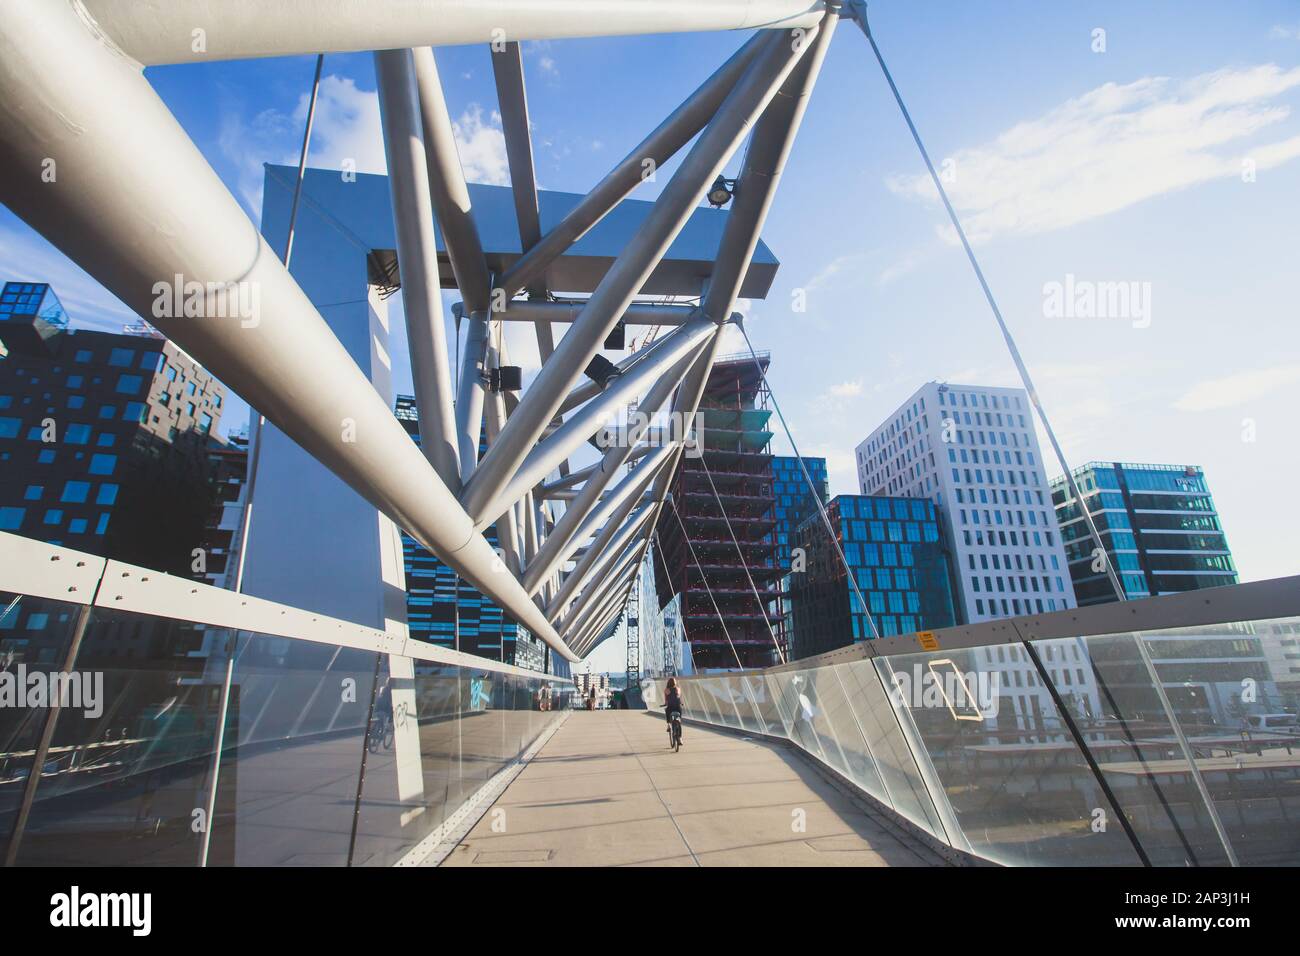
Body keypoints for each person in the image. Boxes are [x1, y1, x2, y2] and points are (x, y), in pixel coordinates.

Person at [664, 677, 684, 745]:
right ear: (675, 683)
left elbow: (666, 701)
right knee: (679, 722)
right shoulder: (678, 689)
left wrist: (665, 703)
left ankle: (669, 724)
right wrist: (681, 703)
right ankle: (680, 738)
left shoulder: (666, 690)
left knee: (667, 710)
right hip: (677, 707)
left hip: (670, 707)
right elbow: (679, 698)